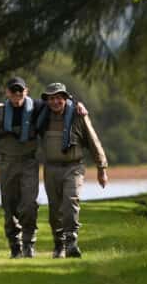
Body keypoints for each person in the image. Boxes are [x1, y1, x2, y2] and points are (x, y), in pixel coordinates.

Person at [0, 77, 85, 258]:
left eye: (20, 91)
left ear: (26, 91)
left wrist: (77, 104)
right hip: (7, 164)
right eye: (13, 91)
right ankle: (15, 245)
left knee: (29, 205)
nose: (17, 94)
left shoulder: (37, 107)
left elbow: (58, 100)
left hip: (29, 163)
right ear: (7, 93)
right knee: (9, 206)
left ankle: (29, 244)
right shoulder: (0, 114)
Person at [39, 82, 108, 258]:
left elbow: (94, 142)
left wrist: (102, 168)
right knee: (55, 209)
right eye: (51, 98)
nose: (55, 102)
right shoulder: (42, 117)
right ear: (47, 101)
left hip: (73, 167)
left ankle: (71, 243)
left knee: (70, 202)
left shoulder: (78, 116)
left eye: (59, 98)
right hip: (51, 169)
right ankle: (58, 244)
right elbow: (22, 104)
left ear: (66, 98)